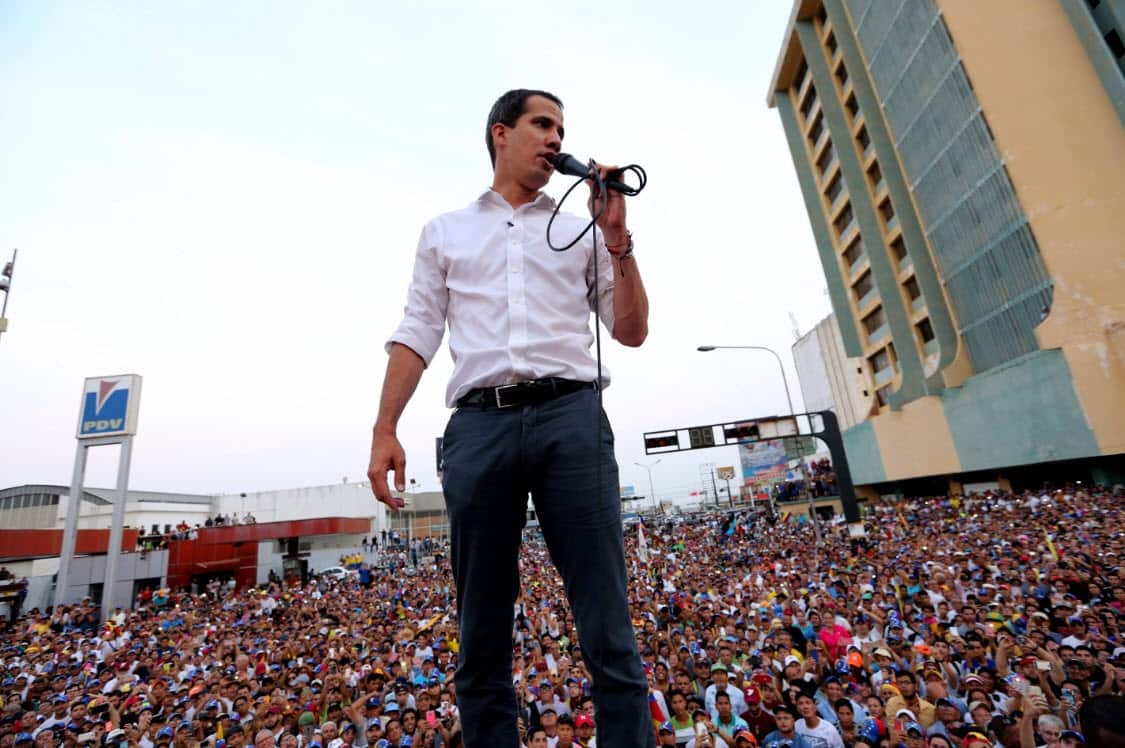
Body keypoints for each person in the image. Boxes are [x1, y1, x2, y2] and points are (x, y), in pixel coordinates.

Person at [367, 88, 650, 747]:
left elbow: (631, 330)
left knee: (605, 618)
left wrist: (616, 238)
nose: (555, 138)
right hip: (478, 427)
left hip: (570, 418)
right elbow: (417, 330)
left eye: (561, 128)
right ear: (501, 133)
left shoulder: (582, 229)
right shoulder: (445, 231)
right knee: (482, 624)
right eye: (541, 124)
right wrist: (385, 427)